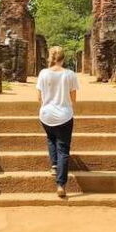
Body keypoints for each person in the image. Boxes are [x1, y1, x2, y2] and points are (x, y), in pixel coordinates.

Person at [36, 46, 79, 198]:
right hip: (64, 116)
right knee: (63, 149)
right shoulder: (70, 74)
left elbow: (39, 98)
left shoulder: (43, 73)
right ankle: (60, 185)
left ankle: (54, 165)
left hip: (46, 114)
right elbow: (73, 99)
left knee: (51, 139)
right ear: (63, 58)